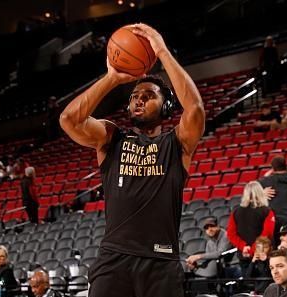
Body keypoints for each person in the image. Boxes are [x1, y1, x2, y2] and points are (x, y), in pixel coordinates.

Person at [59, 23, 205, 297]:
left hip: (161, 261)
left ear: (166, 107)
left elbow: (195, 108)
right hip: (114, 258)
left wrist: (161, 51)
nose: (138, 101)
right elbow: (69, 120)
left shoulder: (177, 143)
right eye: (135, 97)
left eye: (149, 96)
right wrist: (112, 78)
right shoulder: (112, 138)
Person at [227, 181, 275, 274]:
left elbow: (231, 234)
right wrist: (254, 250)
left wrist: (244, 247)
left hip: (244, 254)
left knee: (248, 283)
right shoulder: (267, 211)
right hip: (262, 256)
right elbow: (267, 234)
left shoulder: (236, 211)